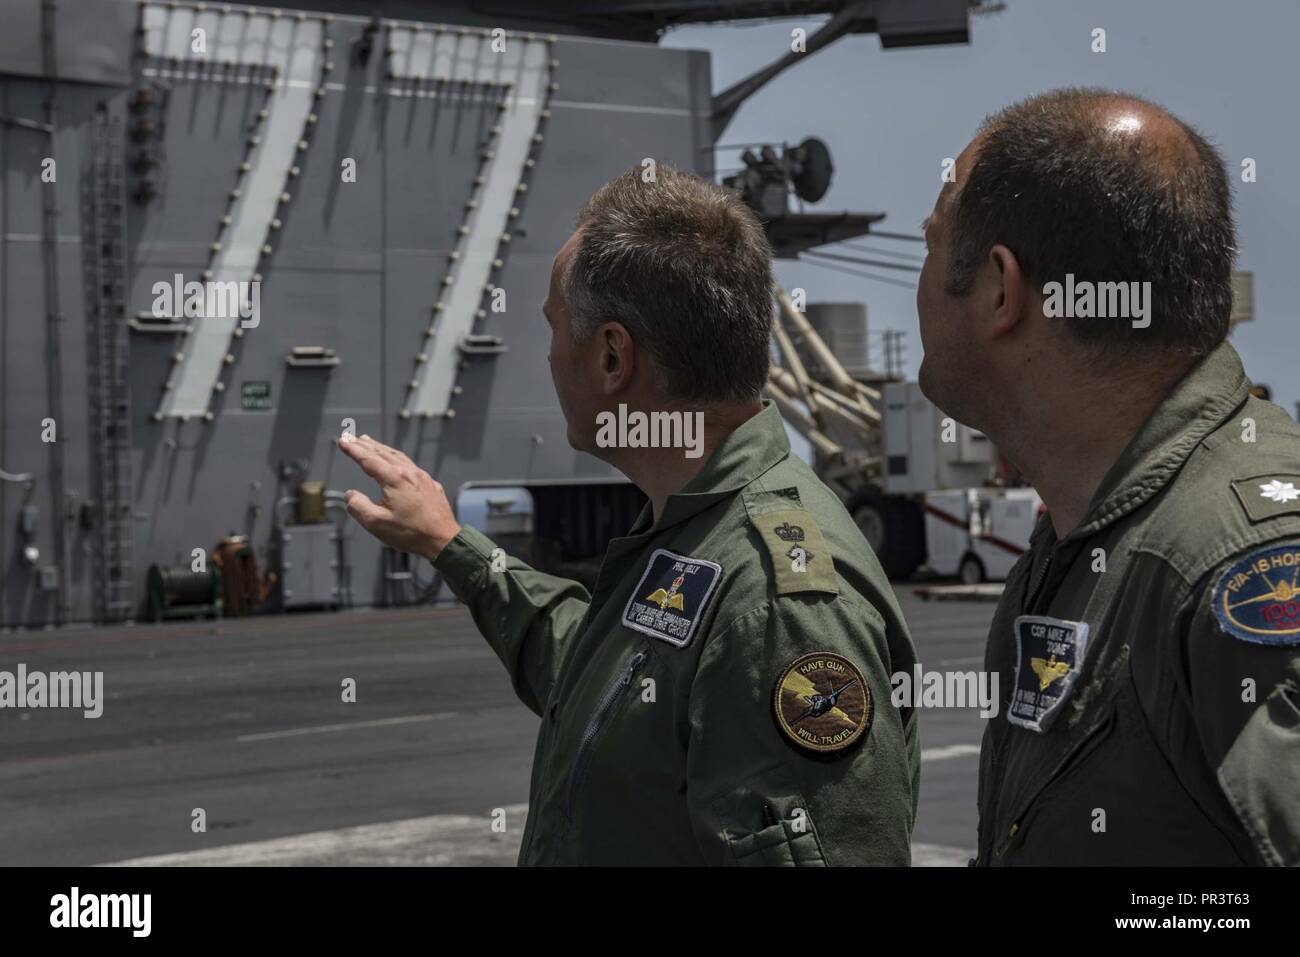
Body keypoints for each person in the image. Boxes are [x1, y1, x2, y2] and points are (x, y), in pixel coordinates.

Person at [339, 165, 920, 865]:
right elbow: (608, 681)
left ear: (613, 356)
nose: (551, 354)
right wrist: (451, 542)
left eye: (556, 327)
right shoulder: (696, 531)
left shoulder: (774, 606)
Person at [917, 87, 1300, 865]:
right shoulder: (1088, 531)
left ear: (999, 289)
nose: (917, 284)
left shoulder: (1240, 562)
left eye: (929, 245)